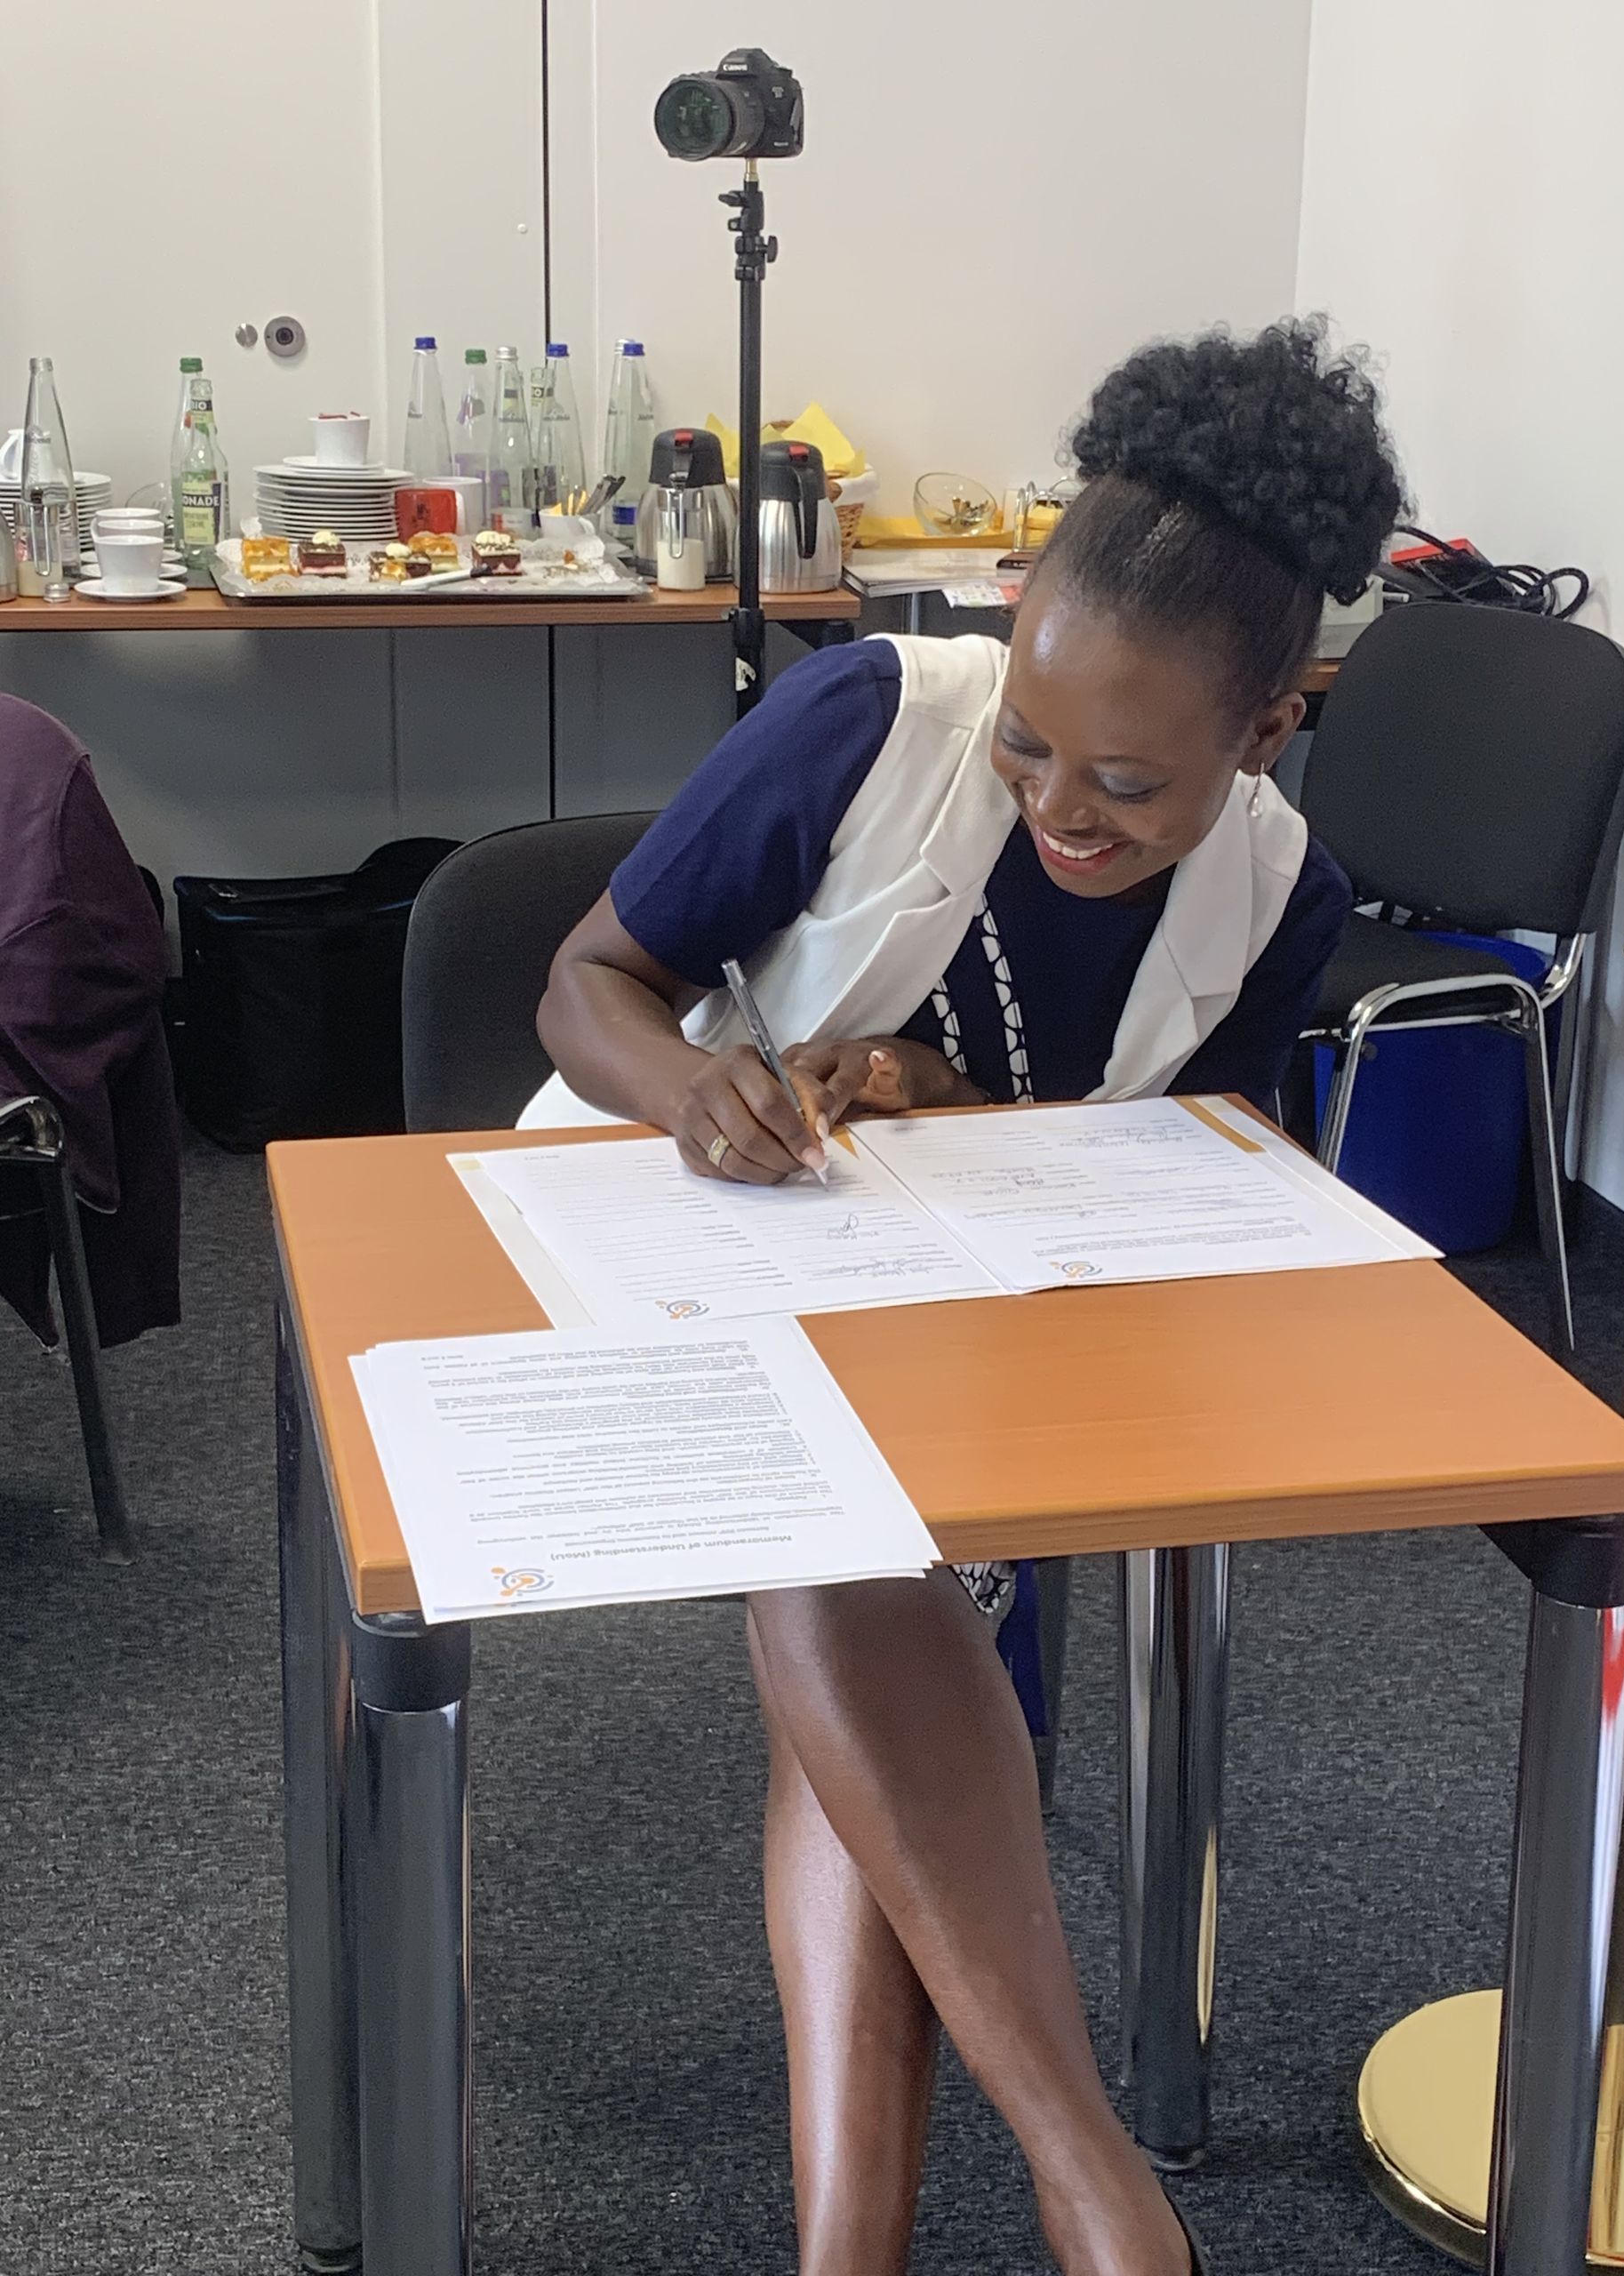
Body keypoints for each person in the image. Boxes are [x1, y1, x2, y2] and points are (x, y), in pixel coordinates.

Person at [530, 317, 1404, 2275]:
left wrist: (948, 1098)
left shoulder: (1285, 895)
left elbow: (1196, 1172)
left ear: (1265, 737)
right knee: (842, 1541)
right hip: (696, 1254)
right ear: (1006, 634)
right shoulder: (866, 715)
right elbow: (584, 983)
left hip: (999, 1330)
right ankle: (1093, 2178)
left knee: (857, 1579)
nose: (1058, 805)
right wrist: (702, 1088)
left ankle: (860, 2237)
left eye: (1129, 781)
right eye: (1029, 738)